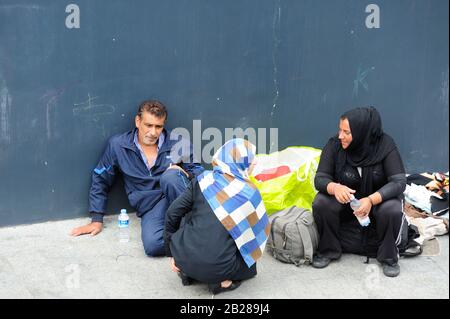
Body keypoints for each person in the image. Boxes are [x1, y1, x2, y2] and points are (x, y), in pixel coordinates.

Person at [71, 100, 204, 256]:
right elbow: (100, 179)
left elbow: (199, 174)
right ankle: (199, 238)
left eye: (158, 126)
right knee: (153, 246)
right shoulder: (118, 146)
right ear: (137, 121)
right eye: (149, 125)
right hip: (151, 206)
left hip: (179, 198)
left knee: (171, 176)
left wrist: (183, 173)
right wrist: (96, 219)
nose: (153, 132)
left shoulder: (178, 142)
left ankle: (201, 231)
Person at [164, 138, 270, 294]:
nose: (254, 164)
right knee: (251, 265)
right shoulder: (249, 193)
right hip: (219, 267)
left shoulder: (202, 181)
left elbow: (172, 213)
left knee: (194, 220)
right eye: (252, 160)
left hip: (184, 258)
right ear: (241, 164)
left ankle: (188, 271)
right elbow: (255, 232)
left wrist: (172, 252)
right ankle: (222, 282)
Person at [312, 106, 407, 277]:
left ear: (362, 133)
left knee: (392, 208)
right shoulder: (334, 145)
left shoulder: (385, 145)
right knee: (321, 202)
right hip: (349, 204)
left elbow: (399, 182)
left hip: (378, 203)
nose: (341, 136)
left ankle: (388, 257)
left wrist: (371, 200)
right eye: (340, 130)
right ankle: (328, 250)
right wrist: (336, 188)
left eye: (346, 132)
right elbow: (320, 179)